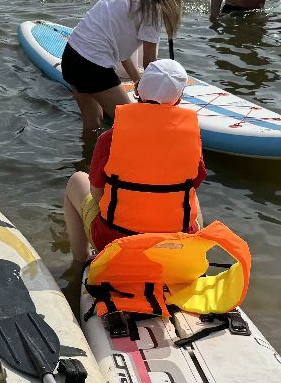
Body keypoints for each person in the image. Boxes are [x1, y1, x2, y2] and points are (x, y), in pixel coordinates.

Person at [63, 59, 206, 261]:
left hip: (114, 240)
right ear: (179, 99)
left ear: (137, 91)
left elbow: (96, 193)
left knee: (76, 180)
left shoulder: (110, 138)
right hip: (175, 241)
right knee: (190, 194)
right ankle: (188, 256)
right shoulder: (193, 140)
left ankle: (82, 261)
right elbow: (196, 183)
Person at [61, 0, 182, 134]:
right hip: (93, 66)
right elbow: (150, 63)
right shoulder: (153, 10)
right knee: (132, 126)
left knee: (93, 123)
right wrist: (166, 94)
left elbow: (121, 52)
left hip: (71, 56)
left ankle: (87, 161)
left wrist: (136, 80)